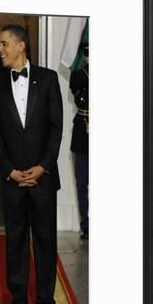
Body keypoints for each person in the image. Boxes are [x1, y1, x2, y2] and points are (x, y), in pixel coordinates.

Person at [0, 24, 63, 304]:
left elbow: (56, 128)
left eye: (4, 43)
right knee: (15, 245)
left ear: (21, 46)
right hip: (13, 181)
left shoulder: (48, 79)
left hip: (43, 179)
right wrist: (10, 171)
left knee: (45, 244)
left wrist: (42, 167)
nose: (0, 49)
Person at [69, 45, 89, 240]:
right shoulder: (79, 76)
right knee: (82, 180)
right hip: (83, 128)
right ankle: (86, 223)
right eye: (88, 53)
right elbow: (75, 87)